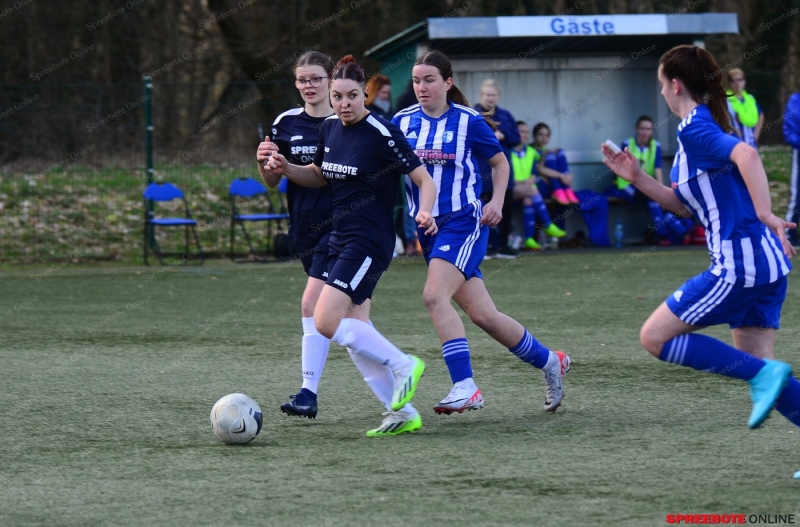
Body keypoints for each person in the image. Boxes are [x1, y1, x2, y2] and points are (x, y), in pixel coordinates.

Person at [602, 46, 800, 473]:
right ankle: (764, 375)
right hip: (766, 266)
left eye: (660, 83)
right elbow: (685, 206)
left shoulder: (696, 129)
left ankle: (763, 376)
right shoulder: (696, 131)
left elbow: (747, 155)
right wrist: (636, 177)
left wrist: (767, 212)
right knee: (763, 369)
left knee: (655, 338)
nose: (662, 92)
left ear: (675, 85)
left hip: (740, 266)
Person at [262, 55, 439, 437]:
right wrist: (285, 168)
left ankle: (404, 364)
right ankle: (402, 413)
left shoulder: (382, 132)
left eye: (352, 96)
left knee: (326, 321)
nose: (344, 104)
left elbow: (425, 181)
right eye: (338, 96)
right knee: (356, 332)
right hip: (338, 237)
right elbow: (319, 175)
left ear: (365, 95)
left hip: (369, 240)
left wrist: (425, 213)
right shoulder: (329, 128)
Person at [393, 50, 571, 415]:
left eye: (429, 80)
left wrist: (498, 202)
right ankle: (551, 362)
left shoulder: (469, 122)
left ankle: (465, 385)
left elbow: (501, 163)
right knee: (484, 316)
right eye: (416, 80)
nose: (421, 87)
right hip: (430, 230)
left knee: (433, 296)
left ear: (448, 82)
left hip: (463, 222)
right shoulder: (402, 121)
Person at [256, 51, 336, 419]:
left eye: (316, 78)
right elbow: (273, 178)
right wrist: (265, 164)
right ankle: (396, 384)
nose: (309, 86)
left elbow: (321, 175)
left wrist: (289, 167)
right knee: (345, 321)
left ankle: (308, 392)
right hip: (303, 226)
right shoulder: (285, 121)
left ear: (331, 79)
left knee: (312, 307)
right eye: (303, 80)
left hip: (341, 226)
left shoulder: (345, 120)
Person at [604, 116, 690, 245]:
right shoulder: (628, 144)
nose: (645, 132)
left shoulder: (656, 146)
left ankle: (664, 236)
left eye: (648, 129)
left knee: (655, 201)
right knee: (654, 199)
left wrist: (661, 191)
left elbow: (658, 169)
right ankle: (679, 232)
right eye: (642, 129)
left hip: (643, 184)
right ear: (636, 129)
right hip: (627, 185)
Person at [475, 79, 521, 258]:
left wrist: (504, 135)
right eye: (487, 95)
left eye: (493, 95)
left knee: (505, 209)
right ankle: (484, 247)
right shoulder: (475, 115)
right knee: (482, 209)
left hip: (504, 170)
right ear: (481, 96)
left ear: (498, 96)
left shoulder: (505, 115)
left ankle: (503, 246)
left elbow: (516, 138)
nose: (490, 98)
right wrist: (490, 136)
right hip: (483, 170)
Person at [511, 120, 566, 250]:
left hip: (526, 190)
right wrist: (521, 183)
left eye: (527, 132)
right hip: (510, 190)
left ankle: (529, 239)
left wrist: (531, 178)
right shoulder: (506, 151)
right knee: (532, 191)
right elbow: (502, 176)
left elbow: (535, 171)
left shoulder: (531, 151)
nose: (525, 135)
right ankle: (547, 225)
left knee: (528, 200)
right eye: (521, 131)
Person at [532, 122, 579, 206]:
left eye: (547, 135)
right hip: (539, 184)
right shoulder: (529, 150)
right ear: (534, 136)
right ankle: (561, 190)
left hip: (553, 182)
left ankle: (565, 190)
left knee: (560, 151)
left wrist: (569, 176)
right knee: (550, 155)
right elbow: (539, 170)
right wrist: (561, 176)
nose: (544, 138)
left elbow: (559, 168)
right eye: (540, 135)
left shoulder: (545, 149)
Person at [726, 68, 764, 148]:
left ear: (745, 81)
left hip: (751, 142)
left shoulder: (750, 98)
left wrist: (756, 134)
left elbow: (760, 115)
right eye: (733, 81)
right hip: (734, 143)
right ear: (729, 83)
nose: (737, 84)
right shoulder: (726, 100)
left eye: (739, 80)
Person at [784, 79, 800, 245]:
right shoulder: (795, 101)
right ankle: (790, 233)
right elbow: (792, 126)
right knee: (797, 194)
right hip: (799, 151)